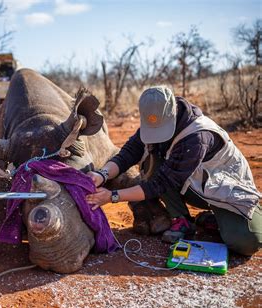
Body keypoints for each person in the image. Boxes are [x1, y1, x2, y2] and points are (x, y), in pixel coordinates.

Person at [86, 86, 261, 256]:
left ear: (173, 112)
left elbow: (160, 184)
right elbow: (128, 154)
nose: (156, 134)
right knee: (153, 163)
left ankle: (229, 217)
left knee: (247, 242)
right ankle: (182, 219)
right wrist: (102, 174)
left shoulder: (197, 136)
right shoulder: (154, 121)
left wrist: (112, 196)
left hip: (226, 192)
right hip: (196, 187)